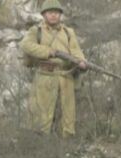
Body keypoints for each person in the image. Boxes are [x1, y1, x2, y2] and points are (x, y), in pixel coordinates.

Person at [20, 0, 87, 137]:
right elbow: (26, 45)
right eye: (50, 12)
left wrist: (81, 61)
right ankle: (39, 143)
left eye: (56, 12)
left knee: (67, 115)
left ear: (60, 15)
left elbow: (76, 51)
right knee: (41, 115)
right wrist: (49, 52)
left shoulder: (68, 32)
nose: (53, 15)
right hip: (45, 76)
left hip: (66, 77)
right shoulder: (36, 31)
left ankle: (65, 142)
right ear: (44, 14)